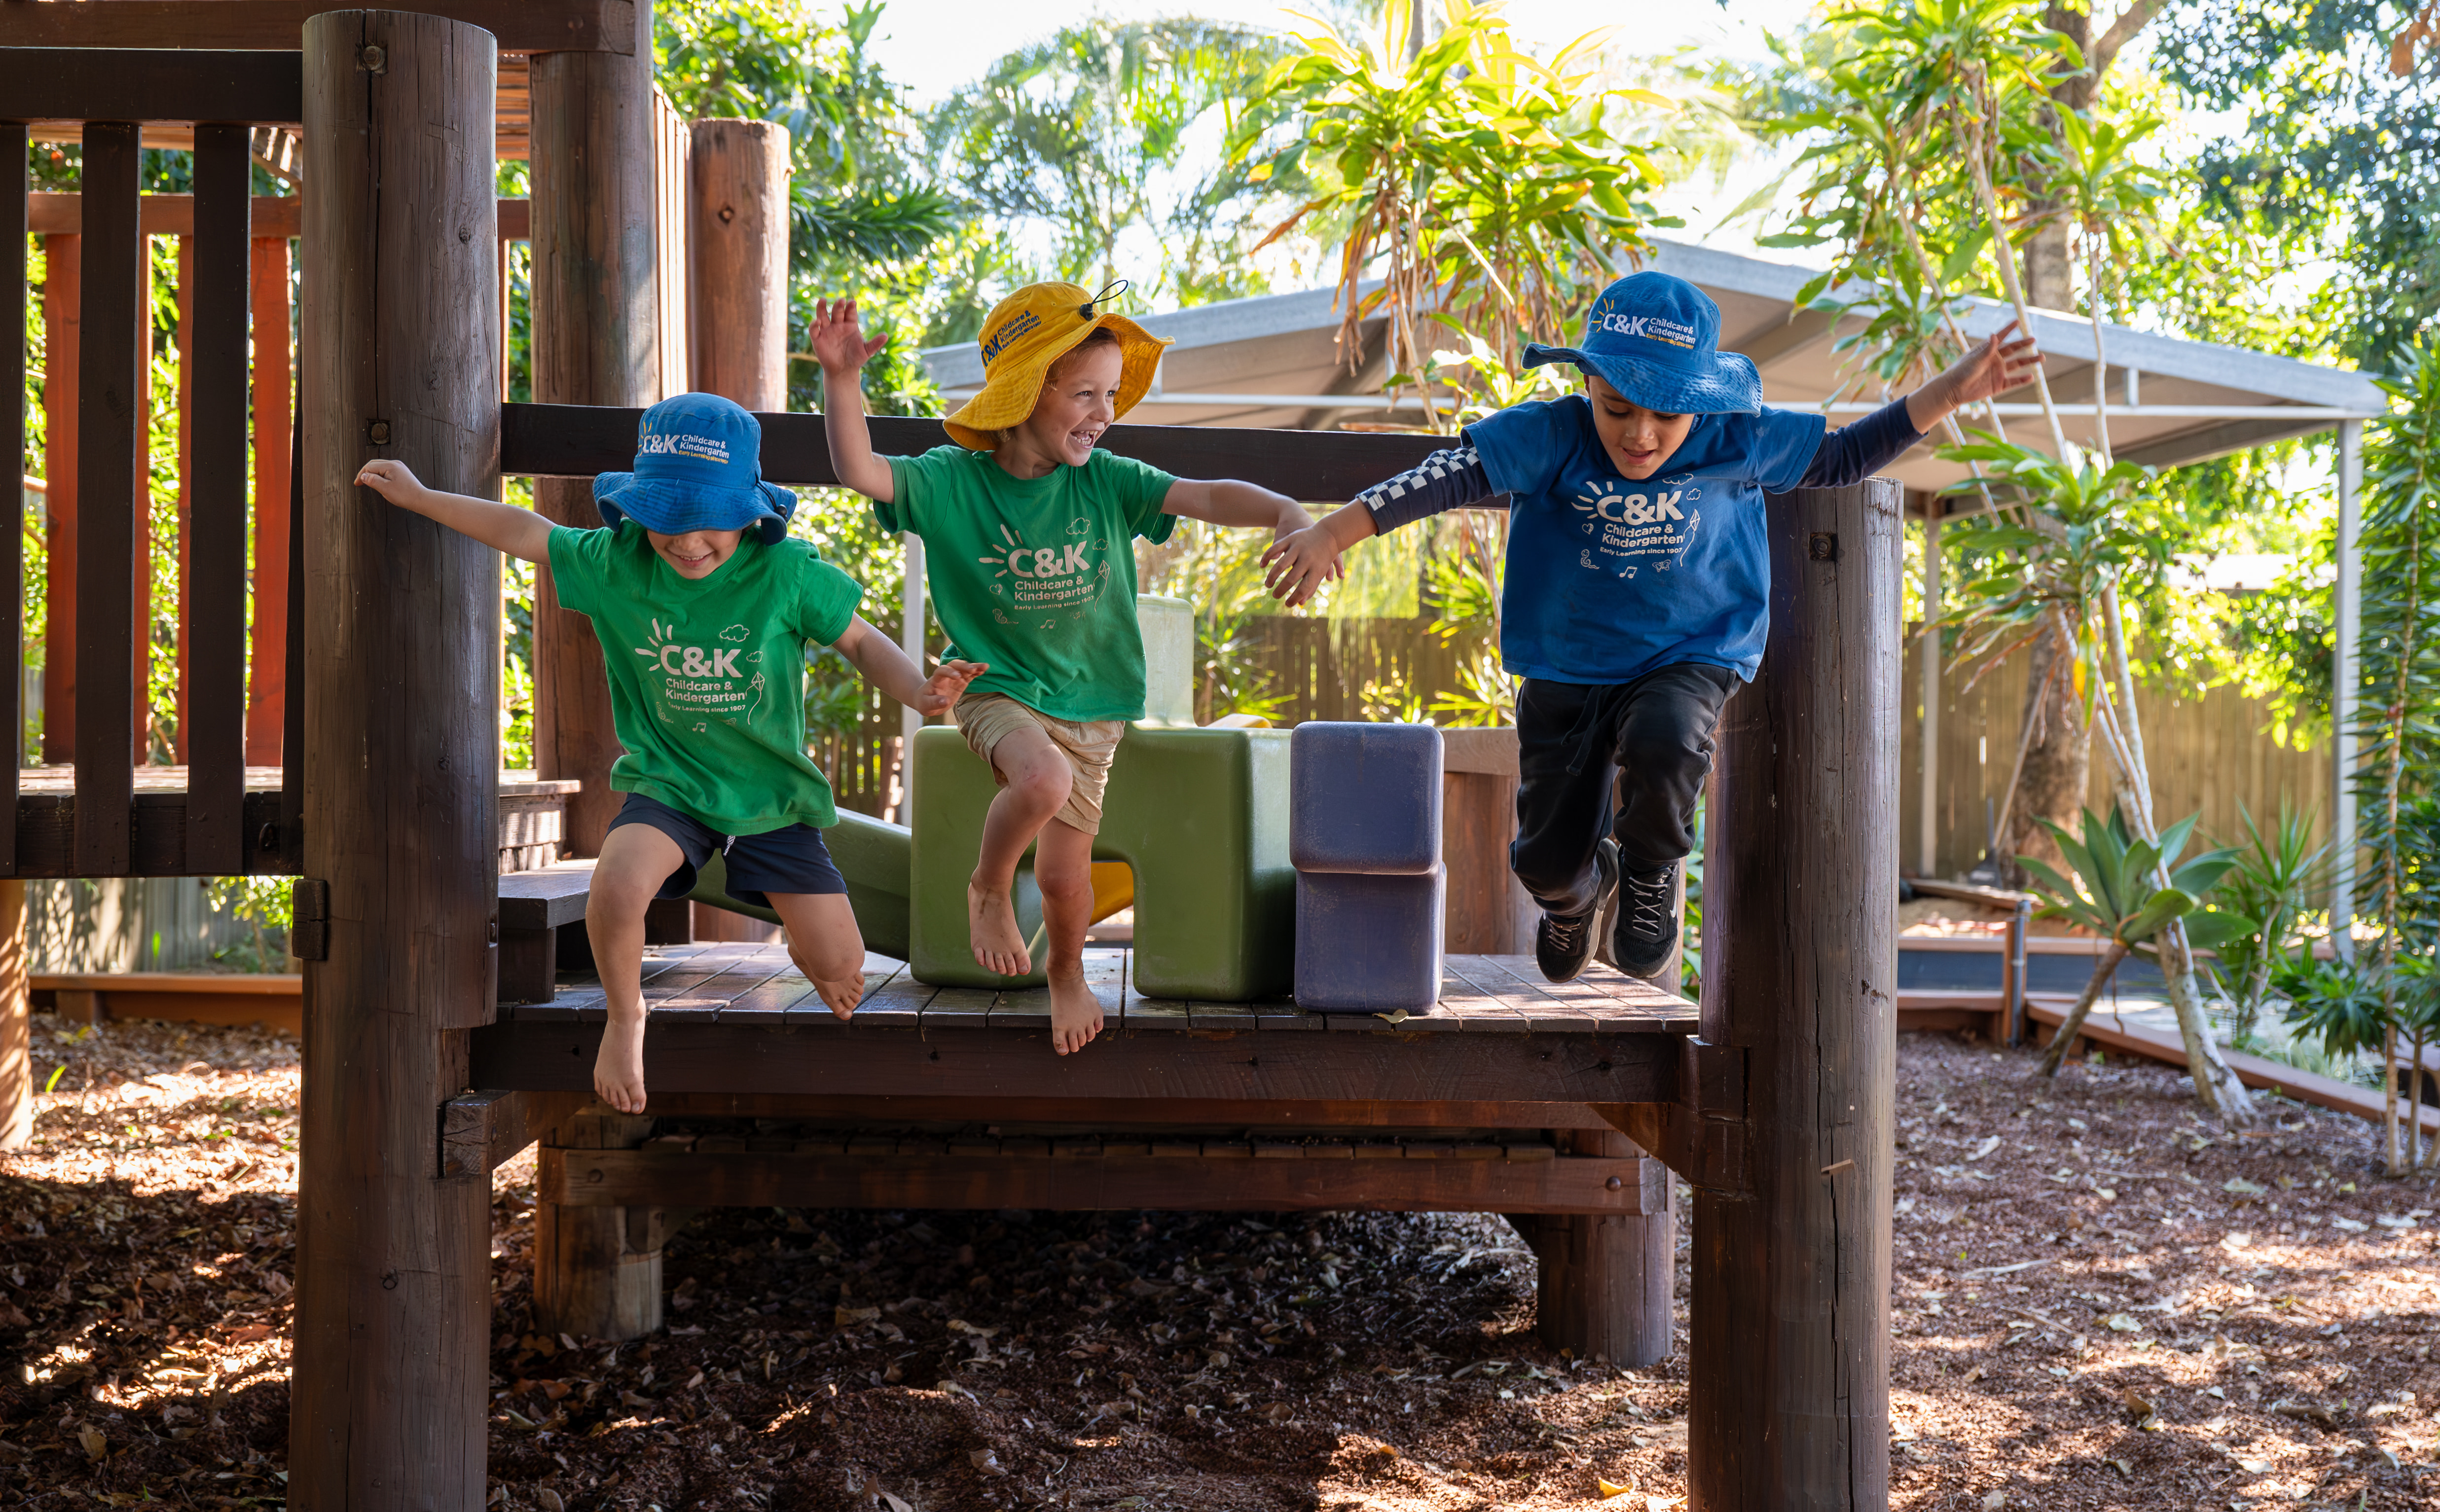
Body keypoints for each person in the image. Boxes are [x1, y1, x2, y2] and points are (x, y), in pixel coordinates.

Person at [1263, 270, 2040, 984]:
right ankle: (1576, 900)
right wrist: (1334, 533)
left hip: (1692, 650)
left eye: (1667, 414)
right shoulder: (1552, 434)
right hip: (1568, 663)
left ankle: (1648, 876)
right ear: (1588, 384)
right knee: (1545, 863)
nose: (1640, 434)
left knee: (1669, 736)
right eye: (1617, 409)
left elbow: (1839, 459)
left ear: (1701, 400)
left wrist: (1947, 394)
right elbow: (1449, 476)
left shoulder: (1736, 437)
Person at [355, 393, 982, 1113]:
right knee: (617, 888)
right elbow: (526, 532)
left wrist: (921, 692)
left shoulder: (785, 573)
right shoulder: (617, 562)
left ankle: (805, 939)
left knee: (841, 965)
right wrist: (424, 497)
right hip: (670, 785)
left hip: (769, 797)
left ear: (752, 511)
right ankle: (628, 1019)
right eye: (665, 520)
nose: (686, 541)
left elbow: (862, 641)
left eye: (707, 519)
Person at [812, 283, 1328, 1056]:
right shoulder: (953, 483)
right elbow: (861, 471)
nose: (1104, 412)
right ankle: (988, 883)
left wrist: (1286, 509)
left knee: (1064, 880)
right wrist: (842, 379)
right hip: (998, 686)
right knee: (1041, 783)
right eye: (1084, 393)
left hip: (1094, 706)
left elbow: (1208, 493)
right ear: (1025, 393)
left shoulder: (1107, 480)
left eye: (1111, 394)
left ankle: (1065, 972)